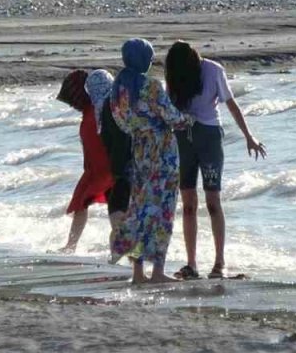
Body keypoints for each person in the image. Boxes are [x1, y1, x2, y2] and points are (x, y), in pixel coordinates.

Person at [164, 41, 267, 281]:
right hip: (182, 138)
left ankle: (219, 263)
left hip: (209, 137)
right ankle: (191, 264)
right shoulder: (176, 74)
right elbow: (169, 106)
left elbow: (230, 103)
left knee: (213, 201)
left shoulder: (213, 70)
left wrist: (248, 136)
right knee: (188, 203)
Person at [109, 38, 189, 284]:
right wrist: (189, 119)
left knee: (139, 211)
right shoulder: (151, 86)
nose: (152, 60)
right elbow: (172, 117)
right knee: (162, 213)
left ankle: (137, 273)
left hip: (140, 153)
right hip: (162, 154)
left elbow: (122, 124)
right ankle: (157, 272)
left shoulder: (119, 89)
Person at [55, 70, 114, 254]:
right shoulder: (103, 109)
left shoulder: (92, 114)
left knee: (84, 204)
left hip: (100, 169)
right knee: (113, 206)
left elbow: (92, 146)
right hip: (104, 168)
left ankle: (72, 246)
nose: (73, 105)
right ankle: (117, 247)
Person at [85, 70, 129, 230]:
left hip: (123, 171)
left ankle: (121, 253)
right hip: (135, 167)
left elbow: (120, 139)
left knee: (118, 217)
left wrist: (116, 171)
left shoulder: (107, 108)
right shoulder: (119, 101)